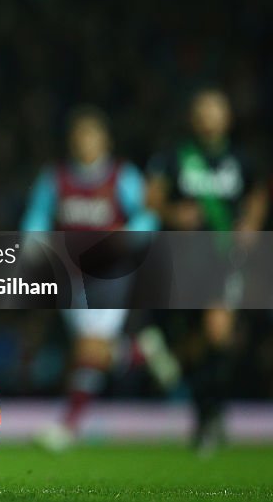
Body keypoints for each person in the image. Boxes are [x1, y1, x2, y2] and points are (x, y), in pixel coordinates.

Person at [20, 105, 179, 452]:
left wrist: (118, 243)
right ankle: (137, 351)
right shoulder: (56, 178)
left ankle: (68, 427)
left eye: (91, 135)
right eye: (79, 136)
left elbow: (147, 220)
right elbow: (35, 220)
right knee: (94, 352)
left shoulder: (123, 177)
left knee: (88, 349)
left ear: (105, 140)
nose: (85, 142)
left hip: (111, 276)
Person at [146, 86, 268, 454]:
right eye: (203, 111)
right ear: (192, 118)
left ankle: (210, 417)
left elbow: (258, 192)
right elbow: (151, 197)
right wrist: (172, 214)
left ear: (227, 117)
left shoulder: (241, 160)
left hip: (223, 259)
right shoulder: (175, 157)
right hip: (184, 261)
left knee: (218, 332)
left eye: (216, 110)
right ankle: (205, 412)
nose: (209, 117)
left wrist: (250, 224)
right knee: (191, 345)